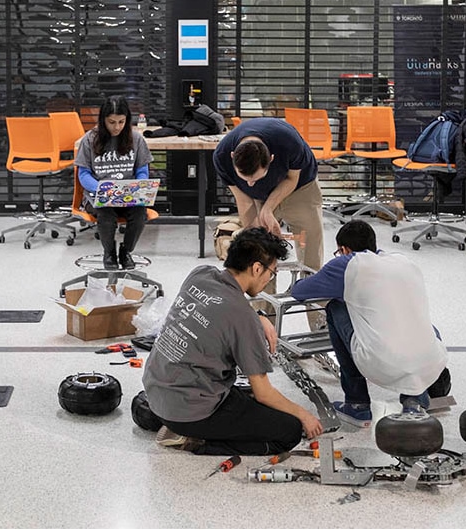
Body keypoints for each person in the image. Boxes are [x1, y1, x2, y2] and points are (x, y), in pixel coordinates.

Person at [142, 227, 324, 455]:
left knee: (243, 396)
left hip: (156, 390)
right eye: (272, 272)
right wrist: (304, 415)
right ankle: (193, 441)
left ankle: (179, 425)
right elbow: (263, 393)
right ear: (257, 268)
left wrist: (257, 317)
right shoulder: (242, 318)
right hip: (190, 410)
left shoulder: (200, 274)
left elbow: (223, 303)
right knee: (289, 430)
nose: (270, 278)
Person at [291, 220, 450, 428]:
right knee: (408, 314)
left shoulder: (346, 264)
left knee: (335, 307)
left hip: (382, 363)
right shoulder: (402, 261)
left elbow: (299, 291)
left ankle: (357, 404)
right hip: (432, 360)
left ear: (344, 249)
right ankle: (415, 400)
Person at [212, 117, 324, 281]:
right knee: (258, 254)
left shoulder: (288, 142)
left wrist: (267, 209)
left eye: (255, 178)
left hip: (300, 188)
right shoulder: (222, 156)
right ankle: (262, 305)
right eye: (244, 178)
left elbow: (291, 179)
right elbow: (244, 200)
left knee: (311, 252)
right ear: (232, 155)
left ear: (271, 159)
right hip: (260, 196)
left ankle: (314, 303)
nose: (249, 184)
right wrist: (252, 234)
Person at [74, 96, 154, 270]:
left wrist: (137, 187)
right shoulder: (90, 139)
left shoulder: (136, 139)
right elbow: (84, 174)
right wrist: (102, 189)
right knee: (106, 213)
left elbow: (142, 170)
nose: (116, 127)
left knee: (140, 213)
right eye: (111, 122)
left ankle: (126, 252)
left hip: (128, 195)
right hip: (99, 195)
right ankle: (109, 253)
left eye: (121, 122)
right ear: (103, 121)